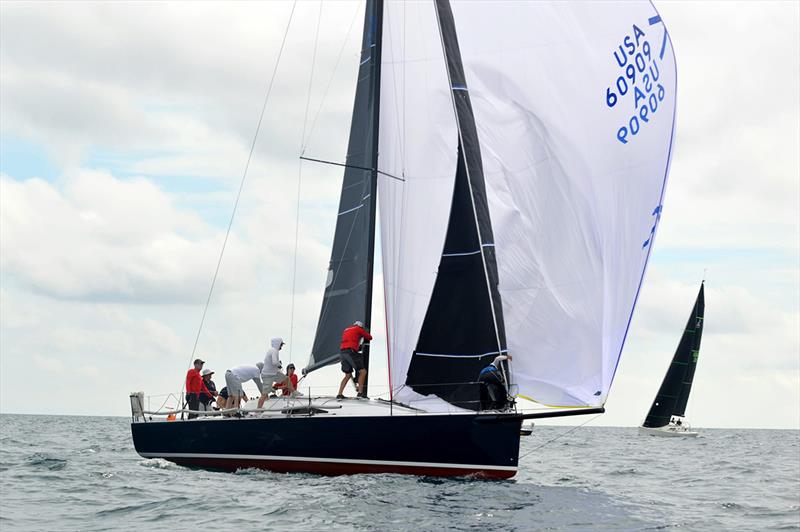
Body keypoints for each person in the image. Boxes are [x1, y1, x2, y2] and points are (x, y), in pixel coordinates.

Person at [337, 320, 372, 399]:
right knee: (363, 372)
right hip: (350, 352)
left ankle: (339, 394)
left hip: (342, 353)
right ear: (360, 326)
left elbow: (351, 340)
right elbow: (370, 337)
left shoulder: (346, 330)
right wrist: (363, 333)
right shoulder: (359, 329)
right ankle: (360, 393)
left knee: (348, 375)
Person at [258, 338, 296, 408]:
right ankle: (258, 409)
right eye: (281, 345)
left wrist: (276, 387)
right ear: (278, 344)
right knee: (264, 394)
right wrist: (279, 365)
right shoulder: (274, 351)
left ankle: (294, 393)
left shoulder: (274, 351)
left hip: (274, 373)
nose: (281, 346)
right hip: (267, 375)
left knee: (286, 379)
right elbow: (275, 362)